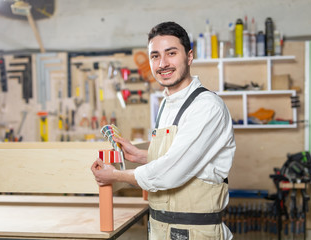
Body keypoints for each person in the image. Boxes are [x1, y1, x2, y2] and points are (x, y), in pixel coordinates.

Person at [91, 21, 236, 240]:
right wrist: (141, 155)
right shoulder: (166, 104)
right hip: (160, 228)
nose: (163, 63)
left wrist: (116, 176)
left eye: (171, 53)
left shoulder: (206, 107)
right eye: (155, 56)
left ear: (189, 57)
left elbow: (172, 171)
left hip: (195, 233)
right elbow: (177, 155)